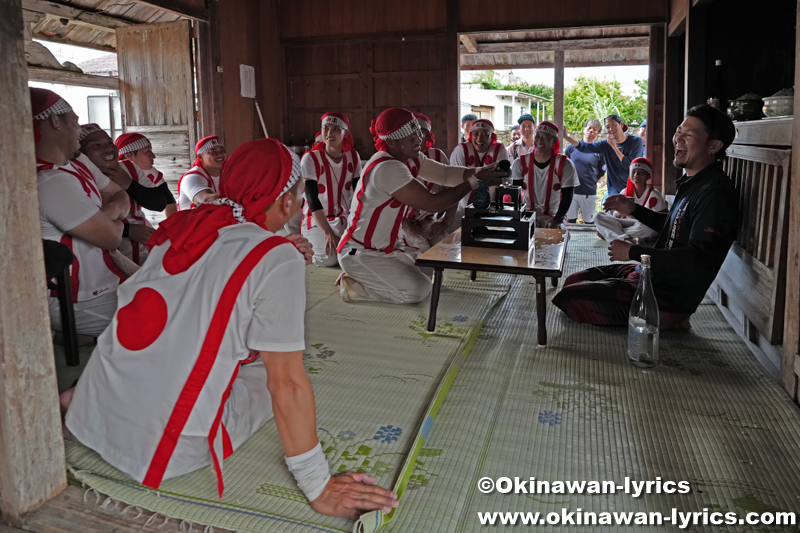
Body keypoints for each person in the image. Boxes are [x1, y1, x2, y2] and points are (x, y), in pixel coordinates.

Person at [63, 138, 398, 519]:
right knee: (266, 370)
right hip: (164, 448)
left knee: (189, 334)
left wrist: (278, 249)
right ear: (288, 202)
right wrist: (318, 485)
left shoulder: (181, 228)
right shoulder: (275, 255)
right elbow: (285, 383)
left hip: (94, 410)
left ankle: (88, 400)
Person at [552, 105, 738, 327]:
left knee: (570, 298)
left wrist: (633, 251)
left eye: (688, 135)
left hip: (667, 295)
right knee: (573, 281)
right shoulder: (692, 182)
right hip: (650, 272)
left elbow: (696, 259)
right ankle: (637, 298)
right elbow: (671, 226)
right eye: (679, 131)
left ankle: (666, 318)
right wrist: (633, 209)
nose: (678, 138)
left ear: (714, 146)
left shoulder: (715, 194)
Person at [337, 108, 508, 304]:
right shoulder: (387, 167)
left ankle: (366, 275)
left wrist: (482, 171)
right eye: (410, 137)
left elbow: (445, 174)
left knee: (430, 273)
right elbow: (434, 204)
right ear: (391, 142)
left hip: (388, 248)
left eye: (418, 132)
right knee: (419, 291)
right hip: (362, 251)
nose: (418, 139)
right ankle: (354, 287)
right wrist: (475, 180)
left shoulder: (411, 158)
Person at [32, 89, 129, 337]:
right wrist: (113, 217)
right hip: (79, 298)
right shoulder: (50, 180)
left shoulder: (78, 161)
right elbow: (112, 238)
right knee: (172, 319)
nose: (79, 128)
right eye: (75, 121)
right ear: (55, 121)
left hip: (107, 280)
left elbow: (121, 194)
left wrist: (107, 211)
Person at [300, 112, 361, 267]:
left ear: (345, 133)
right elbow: (312, 200)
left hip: (344, 217)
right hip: (318, 219)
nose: (329, 133)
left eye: (335, 129)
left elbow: (359, 195)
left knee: (355, 253)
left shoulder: (353, 156)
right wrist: (328, 232)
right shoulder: (311, 158)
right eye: (325, 128)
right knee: (330, 259)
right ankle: (304, 241)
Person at [401, 113, 454, 251]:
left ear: (428, 136)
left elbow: (453, 191)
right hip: (399, 220)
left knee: (444, 246)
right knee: (421, 246)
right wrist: (406, 224)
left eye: (421, 133)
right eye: (411, 133)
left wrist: (445, 222)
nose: (416, 138)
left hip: (427, 217)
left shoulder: (437, 156)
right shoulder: (398, 158)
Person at [509, 121, 578, 228]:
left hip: (554, 215)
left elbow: (567, 196)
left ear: (554, 141)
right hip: (528, 214)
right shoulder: (519, 163)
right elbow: (515, 193)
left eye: (545, 137)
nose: (540, 141)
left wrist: (557, 220)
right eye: (537, 136)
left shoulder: (565, 164)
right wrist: (520, 216)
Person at [562, 114, 642, 196]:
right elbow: (584, 147)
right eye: (607, 127)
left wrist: (614, 147)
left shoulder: (636, 141)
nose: (611, 128)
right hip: (614, 191)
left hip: (633, 189)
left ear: (621, 124)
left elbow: (628, 164)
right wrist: (566, 137)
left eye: (613, 124)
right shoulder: (606, 144)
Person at [594, 157, 668, 244]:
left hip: (642, 226)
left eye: (641, 173)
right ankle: (628, 239)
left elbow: (660, 224)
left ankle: (615, 236)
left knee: (647, 228)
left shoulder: (655, 195)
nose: (636, 175)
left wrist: (606, 230)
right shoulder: (624, 192)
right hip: (627, 225)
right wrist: (620, 211)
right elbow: (616, 216)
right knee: (598, 216)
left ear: (648, 176)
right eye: (633, 172)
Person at [450, 118, 510, 223]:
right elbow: (455, 181)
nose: (479, 138)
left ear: (492, 137)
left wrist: (490, 209)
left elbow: (496, 182)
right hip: (461, 208)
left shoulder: (499, 149)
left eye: (485, 134)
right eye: (476, 134)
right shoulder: (461, 150)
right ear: (471, 135)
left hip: (489, 208)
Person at [115, 131, 178, 220]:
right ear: (129, 155)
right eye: (148, 152)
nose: (153, 156)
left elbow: (168, 201)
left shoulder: (151, 172)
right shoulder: (115, 173)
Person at [565, 119, 605, 224]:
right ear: (584, 129)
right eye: (589, 128)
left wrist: (592, 180)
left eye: (594, 129)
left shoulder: (599, 151)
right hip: (571, 192)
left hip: (589, 192)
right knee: (570, 222)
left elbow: (602, 170)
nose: (591, 131)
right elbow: (564, 165)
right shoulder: (571, 148)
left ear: (598, 133)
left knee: (589, 223)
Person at [177, 135, 227, 210]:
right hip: (189, 221)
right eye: (213, 151)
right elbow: (205, 200)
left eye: (222, 150)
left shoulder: (227, 172)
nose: (220, 154)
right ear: (200, 157)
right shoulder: (192, 177)